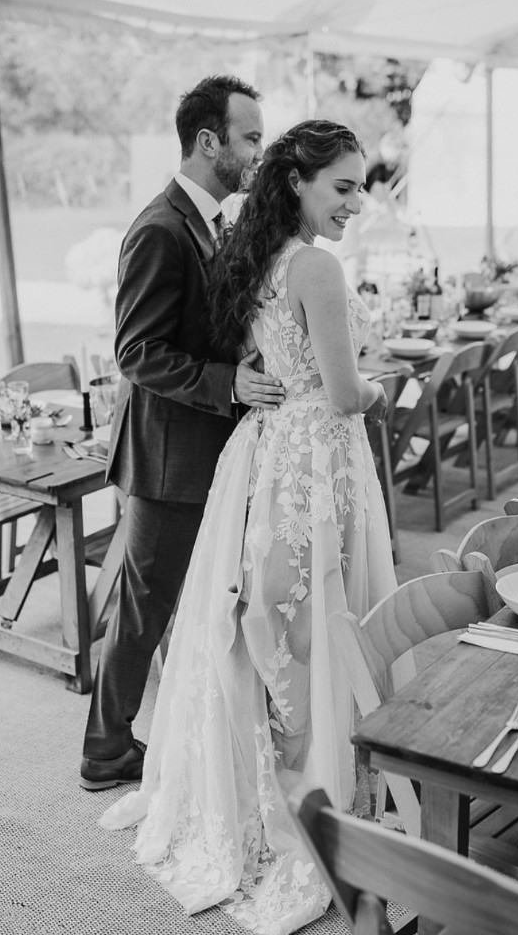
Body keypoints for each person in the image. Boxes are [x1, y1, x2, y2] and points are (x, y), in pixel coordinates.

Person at [98, 120, 397, 935]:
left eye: (360, 188)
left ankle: (281, 781)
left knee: (274, 622)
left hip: (269, 451)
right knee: (320, 619)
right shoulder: (316, 267)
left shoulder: (254, 258)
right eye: (343, 187)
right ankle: (318, 790)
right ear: (297, 182)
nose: (356, 204)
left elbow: (274, 360)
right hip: (316, 455)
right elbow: (344, 394)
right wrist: (379, 387)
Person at [80, 75, 285, 790]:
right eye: (250, 137)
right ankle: (104, 751)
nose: (259, 152)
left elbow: (200, 325)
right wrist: (227, 382)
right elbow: (137, 352)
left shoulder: (213, 222)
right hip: (167, 459)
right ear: (209, 141)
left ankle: (189, 727)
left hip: (206, 449)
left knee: (192, 599)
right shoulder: (159, 229)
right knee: (144, 608)